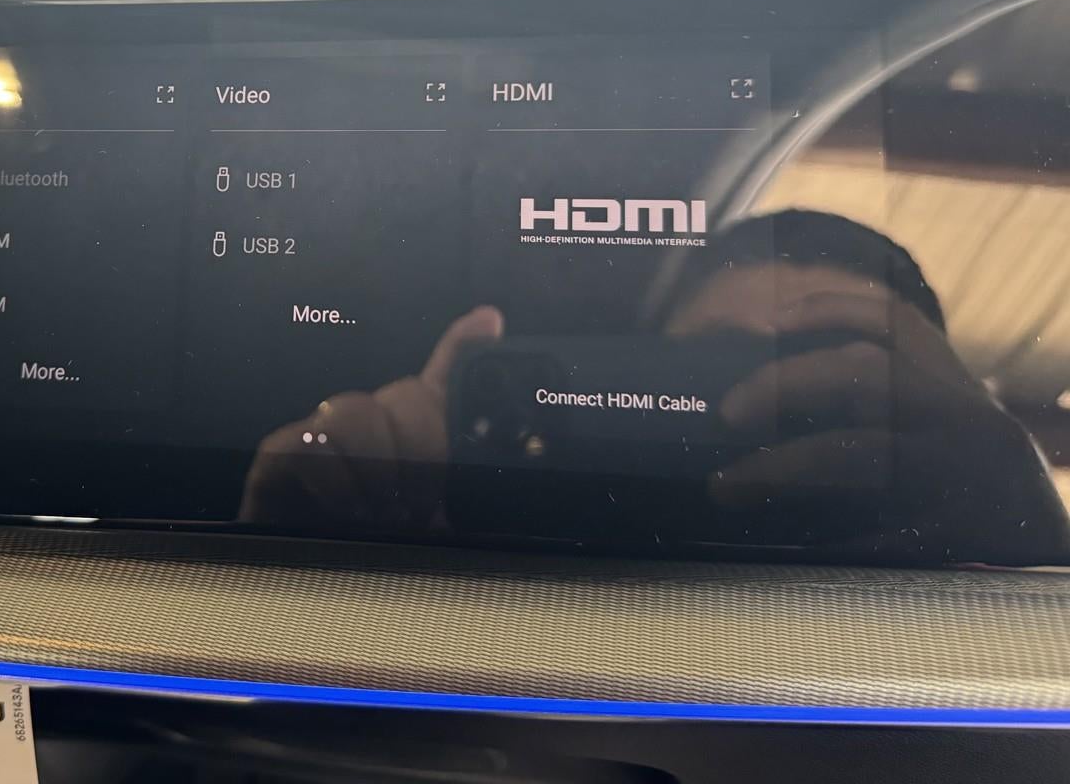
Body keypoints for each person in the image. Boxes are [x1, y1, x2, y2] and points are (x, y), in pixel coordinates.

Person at [240, 210, 1070, 562]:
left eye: (831, 382)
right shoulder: (552, 566)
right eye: (714, 368)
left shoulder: (968, 567)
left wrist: (1029, 549)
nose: (769, 405)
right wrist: (334, 564)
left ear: (932, 408)